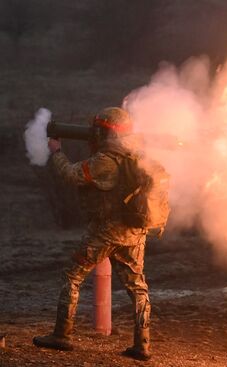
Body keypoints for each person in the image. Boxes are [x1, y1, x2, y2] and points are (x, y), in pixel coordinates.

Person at [33, 107, 153, 361]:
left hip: (106, 232)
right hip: (134, 232)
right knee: (137, 287)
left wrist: (57, 152)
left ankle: (61, 335)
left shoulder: (106, 161)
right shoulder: (138, 156)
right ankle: (142, 344)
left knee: (73, 276)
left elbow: (71, 175)